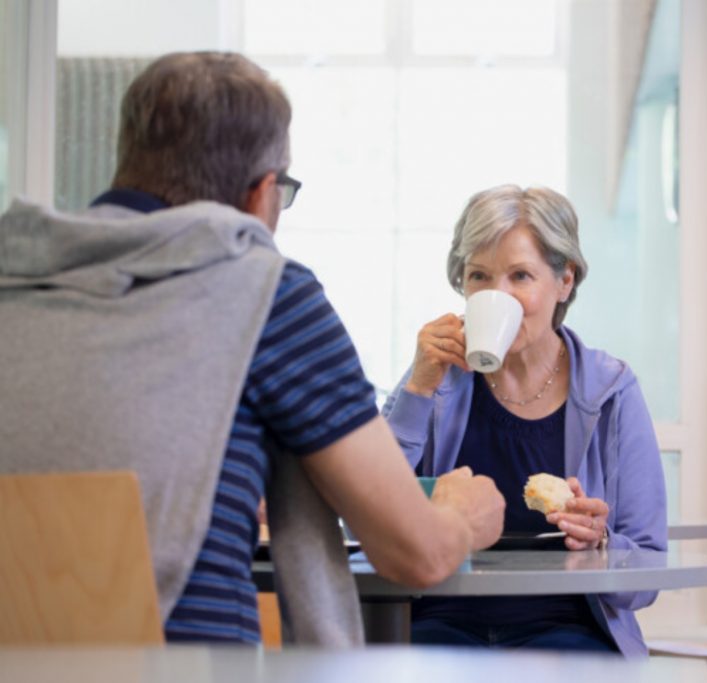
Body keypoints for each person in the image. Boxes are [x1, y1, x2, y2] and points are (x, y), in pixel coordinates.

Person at [0, 52, 504, 645]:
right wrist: (460, 517)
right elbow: (412, 552)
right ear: (262, 194)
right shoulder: (266, 293)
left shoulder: (18, 280)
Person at [382, 184, 667, 658]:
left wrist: (599, 543)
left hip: (569, 629)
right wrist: (416, 390)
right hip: (440, 623)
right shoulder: (434, 381)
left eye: (520, 276)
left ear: (565, 281)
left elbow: (648, 569)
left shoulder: (611, 391)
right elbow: (369, 511)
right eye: (479, 276)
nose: (498, 296)